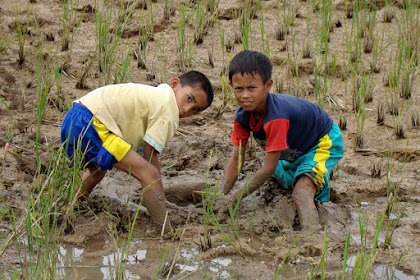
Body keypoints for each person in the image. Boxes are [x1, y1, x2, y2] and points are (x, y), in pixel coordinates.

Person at [60, 71, 214, 230]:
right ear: (174, 84)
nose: (186, 109)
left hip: (75, 118)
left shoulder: (155, 95)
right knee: (150, 174)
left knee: (97, 171)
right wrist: (159, 195)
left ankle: (70, 205)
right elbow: (150, 158)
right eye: (189, 98)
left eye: (195, 110)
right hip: (93, 123)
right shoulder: (167, 107)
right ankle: (164, 231)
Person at [221, 51, 343, 230]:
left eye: (252, 88)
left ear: (268, 85)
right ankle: (311, 177)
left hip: (322, 141)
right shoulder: (241, 117)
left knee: (300, 193)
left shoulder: (276, 117)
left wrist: (234, 199)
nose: (245, 95)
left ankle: (313, 239)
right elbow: (236, 160)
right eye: (239, 89)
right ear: (231, 86)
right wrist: (222, 197)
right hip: (293, 149)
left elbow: (268, 169)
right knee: (276, 169)